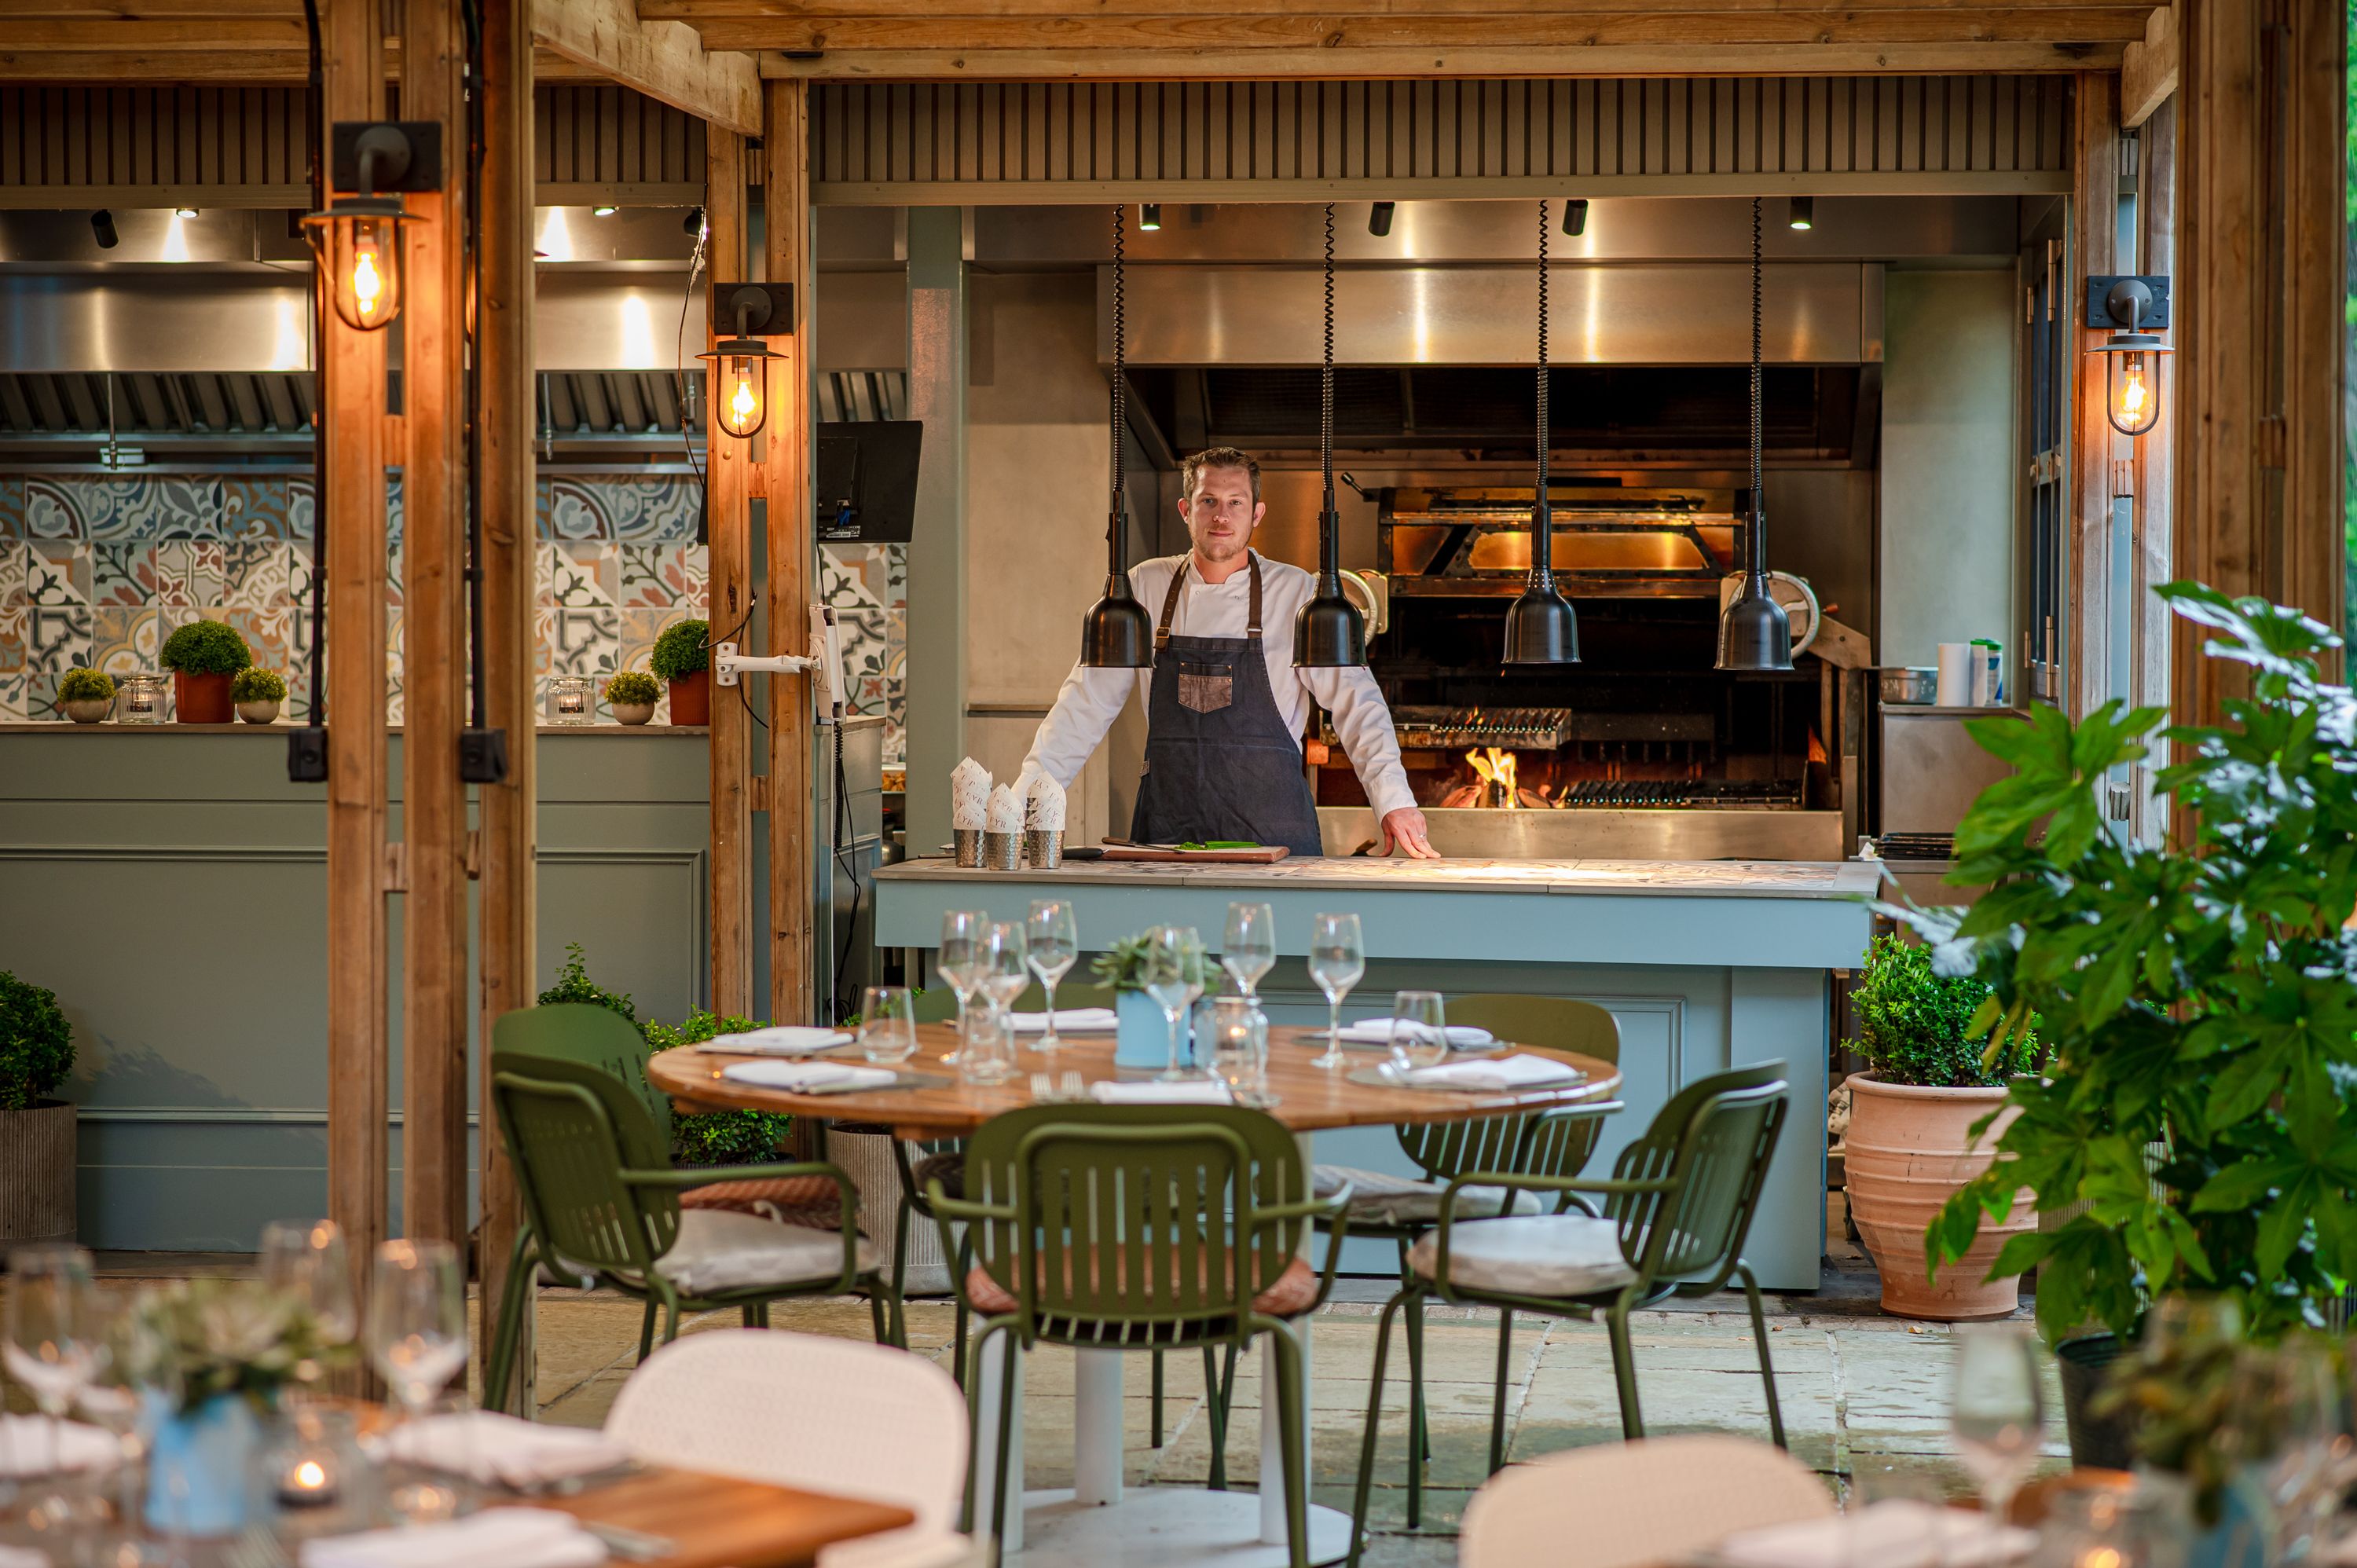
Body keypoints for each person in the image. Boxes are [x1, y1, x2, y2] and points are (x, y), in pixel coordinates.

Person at [1022, 445, 1437, 859]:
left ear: (1256, 513)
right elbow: (1084, 703)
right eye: (1209, 502)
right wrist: (1027, 803)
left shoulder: (1297, 594)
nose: (1221, 516)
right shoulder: (1141, 588)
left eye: (1235, 503)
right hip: (1168, 839)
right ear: (1186, 509)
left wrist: (1394, 799)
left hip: (1276, 838)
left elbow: (1356, 702)